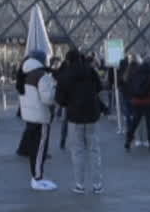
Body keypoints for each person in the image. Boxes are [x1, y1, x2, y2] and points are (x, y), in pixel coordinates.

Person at [56, 48, 103, 195]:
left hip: (75, 117)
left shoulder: (65, 75)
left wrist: (69, 103)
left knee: (77, 152)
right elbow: (99, 87)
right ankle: (97, 185)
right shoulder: (90, 70)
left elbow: (60, 99)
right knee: (94, 150)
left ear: (68, 60)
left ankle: (79, 185)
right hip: (92, 115)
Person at [19, 50, 58, 191]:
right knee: (40, 149)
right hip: (41, 116)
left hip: (30, 115)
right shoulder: (41, 75)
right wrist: (54, 89)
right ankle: (37, 178)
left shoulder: (25, 73)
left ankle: (36, 175)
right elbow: (47, 98)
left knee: (34, 148)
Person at [125, 56, 150, 153]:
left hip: (136, 101)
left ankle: (128, 141)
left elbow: (129, 85)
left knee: (134, 122)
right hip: (148, 101)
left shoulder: (135, 72)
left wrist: (132, 97)